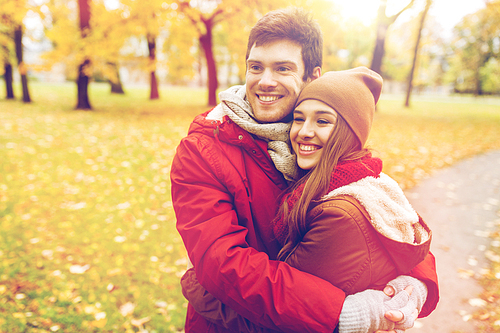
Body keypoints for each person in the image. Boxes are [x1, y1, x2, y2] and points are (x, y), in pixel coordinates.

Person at [170, 7, 439, 333]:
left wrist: (413, 286)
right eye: (255, 67)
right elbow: (222, 263)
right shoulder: (203, 150)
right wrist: (340, 313)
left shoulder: (322, 136)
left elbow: (386, 218)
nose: (265, 81)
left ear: (312, 76)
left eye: (282, 68)